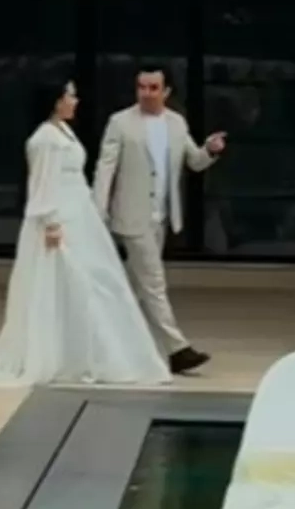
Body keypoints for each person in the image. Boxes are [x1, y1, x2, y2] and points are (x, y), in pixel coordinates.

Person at [0, 80, 171, 387]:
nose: (75, 100)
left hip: (79, 214)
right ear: (56, 101)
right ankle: (70, 355)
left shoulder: (63, 132)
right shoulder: (45, 139)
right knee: (71, 284)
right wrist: (50, 222)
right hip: (62, 218)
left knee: (98, 282)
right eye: (70, 96)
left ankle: (96, 354)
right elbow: (42, 183)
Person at [93, 64, 227, 375]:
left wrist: (210, 150)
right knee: (154, 283)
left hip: (162, 219)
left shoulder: (176, 123)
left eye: (153, 88)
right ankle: (177, 349)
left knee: (134, 288)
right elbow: (105, 168)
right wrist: (97, 212)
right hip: (131, 217)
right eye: (141, 87)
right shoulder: (120, 122)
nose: (146, 93)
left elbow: (194, 161)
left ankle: (106, 344)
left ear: (166, 91)